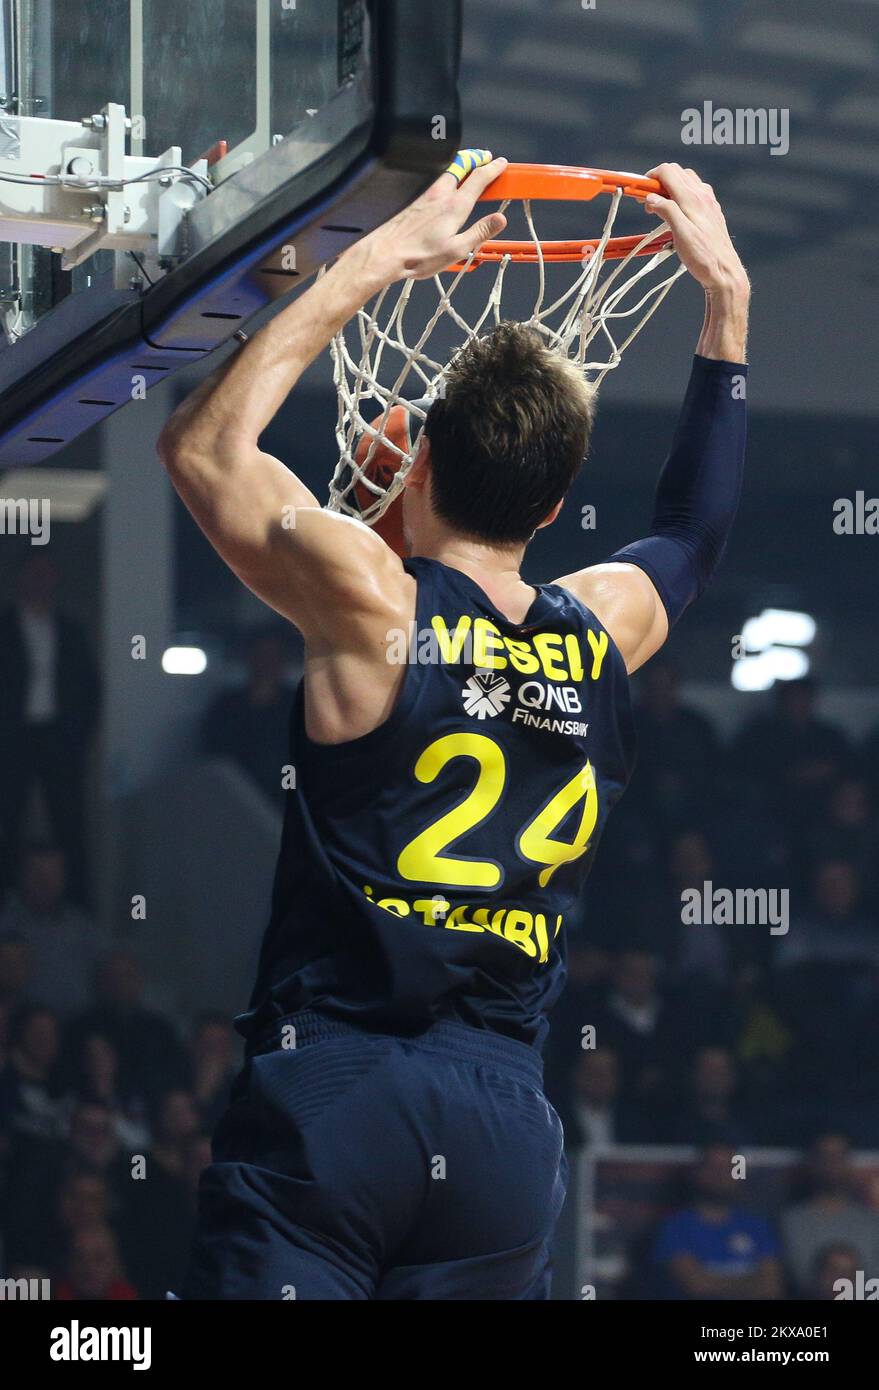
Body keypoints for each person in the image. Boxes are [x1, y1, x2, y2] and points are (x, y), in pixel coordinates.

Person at [158, 152, 750, 1299]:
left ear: (417, 460)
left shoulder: (371, 600)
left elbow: (201, 448)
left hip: (334, 1094)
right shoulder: (603, 628)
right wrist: (725, 298)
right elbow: (695, 528)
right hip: (502, 1131)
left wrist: (376, 258)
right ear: (554, 499)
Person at [651, 1144, 783, 1300]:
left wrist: (714, 1280)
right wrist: (752, 1283)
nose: (721, 1175)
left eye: (729, 1167)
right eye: (712, 1167)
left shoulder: (757, 1226)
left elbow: (771, 1289)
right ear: (697, 1173)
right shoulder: (675, 1227)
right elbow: (699, 1287)